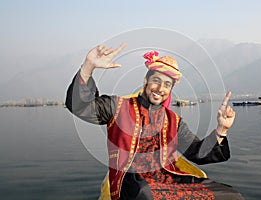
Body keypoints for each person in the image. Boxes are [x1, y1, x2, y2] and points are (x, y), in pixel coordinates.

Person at [66, 44, 244, 200]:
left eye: (167, 85)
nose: (160, 88)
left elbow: (197, 152)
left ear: (170, 90)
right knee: (146, 194)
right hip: (131, 182)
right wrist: (88, 67)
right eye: (156, 81)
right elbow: (80, 106)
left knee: (230, 194)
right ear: (145, 81)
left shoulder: (174, 121)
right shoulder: (117, 107)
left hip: (168, 177)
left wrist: (221, 129)